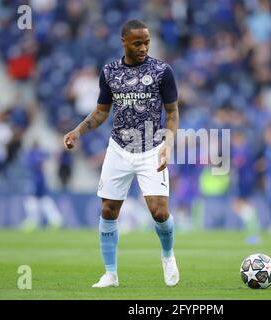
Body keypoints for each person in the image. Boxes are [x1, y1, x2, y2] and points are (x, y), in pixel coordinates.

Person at [63, 20, 180, 288]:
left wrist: (168, 143)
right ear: (124, 42)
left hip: (151, 148)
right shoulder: (110, 72)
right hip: (119, 148)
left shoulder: (162, 71)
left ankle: (167, 255)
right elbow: (102, 111)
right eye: (137, 43)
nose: (143, 48)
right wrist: (78, 131)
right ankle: (111, 274)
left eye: (147, 42)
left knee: (159, 212)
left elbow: (172, 112)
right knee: (108, 209)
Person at [21, 143, 64, 231]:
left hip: (38, 179)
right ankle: (55, 221)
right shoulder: (37, 154)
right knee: (42, 201)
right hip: (38, 178)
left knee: (35, 200)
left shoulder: (34, 155)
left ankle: (34, 221)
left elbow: (50, 156)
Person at [231, 130, 261, 244]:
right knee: (242, 204)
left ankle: (252, 228)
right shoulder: (247, 150)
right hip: (247, 179)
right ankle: (252, 228)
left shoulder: (242, 150)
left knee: (238, 204)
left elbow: (238, 163)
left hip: (243, 180)